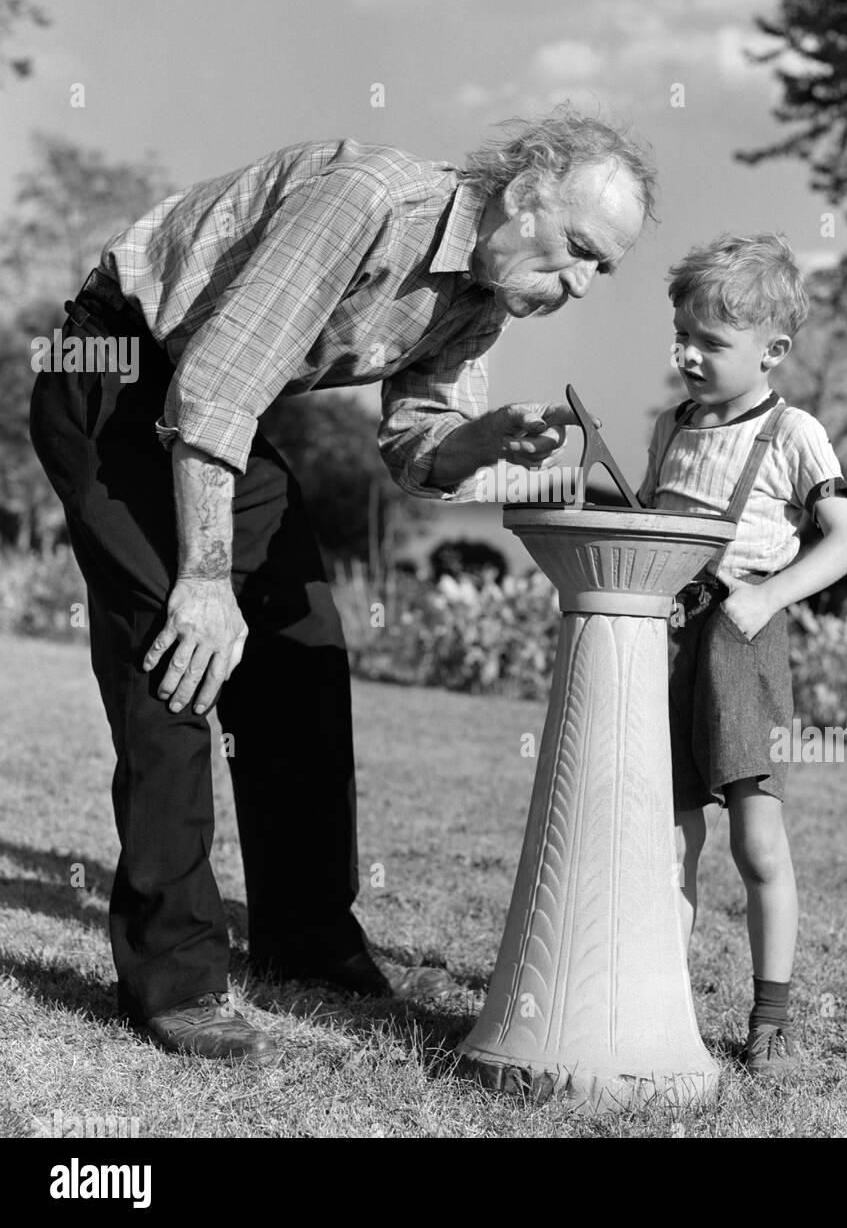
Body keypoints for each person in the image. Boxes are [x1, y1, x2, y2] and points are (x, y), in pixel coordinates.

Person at [30, 109, 654, 1062]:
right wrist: (203, 582)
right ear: (523, 193)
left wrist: (476, 443)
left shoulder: (484, 295)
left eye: (599, 270)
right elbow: (215, 390)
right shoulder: (366, 201)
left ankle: (308, 939)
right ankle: (176, 978)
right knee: (176, 661)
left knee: (303, 652)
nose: (577, 285)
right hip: (115, 369)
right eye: (574, 251)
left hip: (207, 402)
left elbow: (414, 450)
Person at [636, 233, 847, 1076]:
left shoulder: (794, 432)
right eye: (681, 335)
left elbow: (845, 542)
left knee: (756, 843)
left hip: (745, 641)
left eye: (709, 343)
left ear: (771, 351)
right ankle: (663, 1003)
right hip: (669, 642)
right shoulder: (670, 427)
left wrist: (765, 596)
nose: (685, 354)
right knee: (669, 838)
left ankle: (768, 1019)